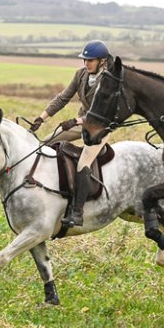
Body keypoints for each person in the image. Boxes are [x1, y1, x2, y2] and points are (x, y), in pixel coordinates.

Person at [31, 40, 111, 227]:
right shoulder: (80, 75)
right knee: (45, 143)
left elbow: (101, 112)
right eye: (85, 60)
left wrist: (76, 121)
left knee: (83, 163)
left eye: (90, 60)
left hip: (99, 127)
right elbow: (63, 98)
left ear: (102, 61)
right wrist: (41, 118)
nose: (86, 63)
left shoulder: (109, 81)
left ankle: (77, 212)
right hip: (81, 124)